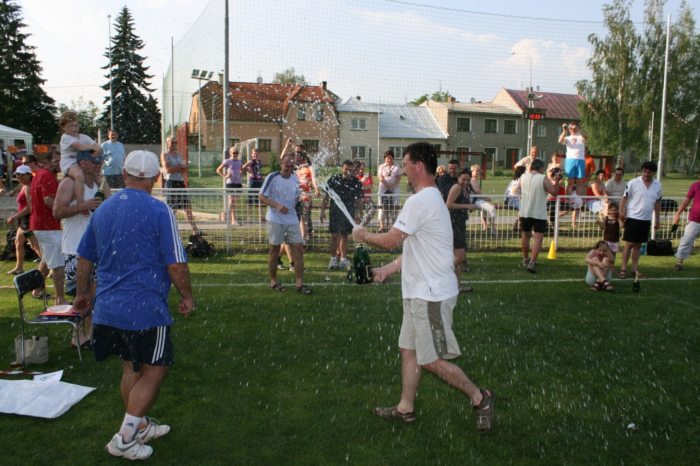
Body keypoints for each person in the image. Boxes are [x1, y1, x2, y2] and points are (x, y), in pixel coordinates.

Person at [352, 142, 495, 433]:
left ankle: (481, 398)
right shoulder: (431, 199)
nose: (402, 170)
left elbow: (391, 240)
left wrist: (363, 235)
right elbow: (414, 249)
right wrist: (386, 269)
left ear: (418, 165)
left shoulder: (420, 201)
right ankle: (405, 408)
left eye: (405, 164)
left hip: (431, 295)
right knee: (408, 350)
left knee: (431, 360)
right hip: (419, 293)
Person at [73, 150, 193, 460]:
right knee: (155, 371)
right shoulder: (159, 210)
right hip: (145, 309)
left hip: (108, 309)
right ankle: (125, 438)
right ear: (156, 177)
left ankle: (139, 426)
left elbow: (85, 257)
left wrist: (82, 293)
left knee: (130, 367)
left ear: (124, 175)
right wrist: (186, 295)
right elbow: (175, 263)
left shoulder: (103, 209)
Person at [53, 151, 111, 348]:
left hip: (95, 249)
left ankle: (91, 334)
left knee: (94, 294)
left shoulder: (97, 183)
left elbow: (110, 206)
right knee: (81, 294)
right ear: (83, 163)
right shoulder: (69, 183)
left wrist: (103, 185)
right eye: (95, 162)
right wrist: (82, 206)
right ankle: (76, 337)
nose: (99, 165)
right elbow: (57, 211)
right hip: (75, 249)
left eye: (100, 161)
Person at [259, 154, 312, 294]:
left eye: (291, 166)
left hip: (292, 219)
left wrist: (299, 205)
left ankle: (299, 284)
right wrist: (277, 205)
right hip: (275, 219)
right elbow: (261, 196)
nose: (289, 168)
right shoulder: (273, 177)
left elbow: (296, 198)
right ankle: (273, 281)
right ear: (281, 164)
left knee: (299, 250)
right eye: (286, 166)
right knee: (274, 252)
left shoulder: (295, 179)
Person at [30, 149, 69, 305]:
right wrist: (63, 213)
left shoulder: (40, 174)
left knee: (47, 260)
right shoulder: (47, 176)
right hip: (47, 226)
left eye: (61, 161)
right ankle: (60, 299)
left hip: (40, 224)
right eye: (55, 161)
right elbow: (48, 199)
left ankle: (37, 289)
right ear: (47, 162)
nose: (59, 164)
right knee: (58, 263)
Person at [619, 161, 662, 280]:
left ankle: (634, 270)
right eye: (644, 171)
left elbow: (657, 202)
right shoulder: (633, 182)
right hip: (633, 217)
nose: (646, 174)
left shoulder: (657, 185)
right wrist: (621, 210)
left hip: (646, 219)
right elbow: (624, 197)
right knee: (629, 243)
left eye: (649, 172)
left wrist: (657, 219)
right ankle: (623, 269)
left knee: (638, 244)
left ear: (654, 172)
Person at [520, 159, 561, 273]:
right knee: (538, 238)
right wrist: (556, 181)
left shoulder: (523, 177)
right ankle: (532, 262)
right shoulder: (543, 178)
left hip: (525, 211)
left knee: (525, 236)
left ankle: (525, 258)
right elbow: (554, 192)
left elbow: (518, 187)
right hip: (539, 212)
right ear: (541, 168)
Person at [58, 110, 104, 214]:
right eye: (70, 126)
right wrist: (92, 147)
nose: (73, 128)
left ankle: (109, 199)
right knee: (79, 176)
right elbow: (78, 146)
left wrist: (98, 150)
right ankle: (81, 203)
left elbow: (96, 145)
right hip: (69, 161)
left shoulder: (83, 137)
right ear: (63, 127)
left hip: (81, 161)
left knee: (100, 177)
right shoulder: (65, 137)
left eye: (76, 125)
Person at [320, 160, 363, 270]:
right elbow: (326, 197)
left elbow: (359, 200)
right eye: (346, 168)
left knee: (345, 235)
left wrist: (360, 214)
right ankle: (333, 259)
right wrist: (322, 211)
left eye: (350, 169)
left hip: (349, 212)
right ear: (342, 168)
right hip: (335, 211)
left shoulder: (356, 182)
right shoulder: (334, 179)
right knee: (334, 235)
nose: (348, 171)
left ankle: (343, 259)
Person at [160, 136, 201, 236]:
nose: (174, 144)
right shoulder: (165, 155)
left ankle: (196, 230)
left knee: (187, 208)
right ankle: (171, 231)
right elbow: (168, 169)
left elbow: (184, 168)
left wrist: (179, 168)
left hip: (180, 183)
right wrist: (179, 167)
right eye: (172, 142)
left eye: (175, 142)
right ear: (167, 143)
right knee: (173, 210)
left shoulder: (179, 154)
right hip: (171, 183)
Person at [5, 165, 41, 275]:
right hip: (24, 220)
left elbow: (30, 207)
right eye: (17, 174)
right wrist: (11, 192)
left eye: (22, 175)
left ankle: (51, 266)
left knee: (35, 246)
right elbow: (18, 188)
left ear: (29, 175)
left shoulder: (28, 188)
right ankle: (19, 267)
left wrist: (15, 217)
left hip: (28, 220)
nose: (19, 177)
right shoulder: (24, 185)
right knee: (18, 242)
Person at [446, 168, 477, 292]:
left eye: (468, 180)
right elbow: (448, 204)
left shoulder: (466, 189)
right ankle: (439, 275)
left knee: (457, 258)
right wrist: (467, 206)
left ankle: (458, 286)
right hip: (453, 224)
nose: (465, 182)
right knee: (460, 257)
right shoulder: (457, 187)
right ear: (458, 178)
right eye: (463, 179)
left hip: (460, 223)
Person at [672, 172, 700, 272]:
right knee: (686, 240)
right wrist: (678, 213)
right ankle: (679, 263)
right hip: (695, 218)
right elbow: (687, 200)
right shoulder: (695, 185)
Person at [558, 121, 588, 203]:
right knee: (570, 181)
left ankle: (579, 201)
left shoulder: (580, 137)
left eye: (574, 128)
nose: (572, 130)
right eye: (571, 128)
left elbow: (586, 137)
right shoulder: (568, 138)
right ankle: (568, 200)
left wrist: (578, 130)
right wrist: (564, 131)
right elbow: (560, 140)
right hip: (570, 160)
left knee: (579, 182)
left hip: (580, 159)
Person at [216, 147, 243, 226]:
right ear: (230, 153)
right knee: (231, 201)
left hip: (238, 183)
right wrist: (225, 176)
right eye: (233, 152)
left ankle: (234, 220)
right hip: (231, 183)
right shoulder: (227, 161)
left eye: (236, 152)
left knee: (235, 202)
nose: (235, 154)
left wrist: (240, 172)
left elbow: (240, 169)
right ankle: (227, 217)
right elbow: (218, 170)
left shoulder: (239, 161)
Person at [377, 150, 402, 232]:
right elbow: (380, 177)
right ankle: (381, 225)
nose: (389, 160)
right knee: (382, 206)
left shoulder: (397, 166)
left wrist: (392, 185)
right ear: (385, 158)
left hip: (394, 189)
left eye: (391, 158)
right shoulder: (381, 167)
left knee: (395, 206)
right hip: (383, 189)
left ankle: (394, 225)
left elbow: (399, 177)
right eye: (388, 158)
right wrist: (387, 185)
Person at [469, 164, 497, 235]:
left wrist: (484, 198)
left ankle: (485, 227)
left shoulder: (474, 180)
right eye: (476, 171)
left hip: (476, 199)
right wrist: (485, 198)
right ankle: (492, 227)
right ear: (472, 171)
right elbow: (477, 191)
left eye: (479, 171)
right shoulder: (472, 180)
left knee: (484, 210)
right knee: (492, 208)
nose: (478, 173)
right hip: (474, 200)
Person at [242, 148, 264, 222]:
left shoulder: (259, 161)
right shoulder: (252, 161)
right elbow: (244, 167)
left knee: (259, 198)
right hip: (253, 181)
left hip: (259, 181)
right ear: (252, 154)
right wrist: (250, 172)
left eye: (257, 154)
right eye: (254, 154)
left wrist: (262, 178)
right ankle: (248, 216)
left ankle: (261, 216)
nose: (255, 155)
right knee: (250, 198)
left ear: (259, 154)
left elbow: (258, 171)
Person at [505, 166, 526, 232]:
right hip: (513, 201)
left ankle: (517, 225)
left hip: (508, 200)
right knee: (525, 208)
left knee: (524, 207)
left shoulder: (514, 180)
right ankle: (520, 225)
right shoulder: (521, 180)